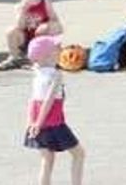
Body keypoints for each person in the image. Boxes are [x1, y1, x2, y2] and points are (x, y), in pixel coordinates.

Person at [24, 35, 86, 185]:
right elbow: (48, 101)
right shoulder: (56, 75)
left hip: (38, 123)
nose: (61, 51)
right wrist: (38, 123)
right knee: (79, 154)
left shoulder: (37, 73)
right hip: (54, 123)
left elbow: (33, 100)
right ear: (47, 55)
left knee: (47, 160)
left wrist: (31, 122)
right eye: (57, 48)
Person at [0, 0, 63, 70]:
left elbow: (57, 22)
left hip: (42, 38)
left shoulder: (45, 2)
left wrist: (47, 25)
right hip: (26, 39)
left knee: (51, 28)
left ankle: (40, 61)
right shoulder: (19, 6)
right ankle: (14, 57)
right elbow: (19, 26)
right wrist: (23, 9)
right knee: (10, 31)